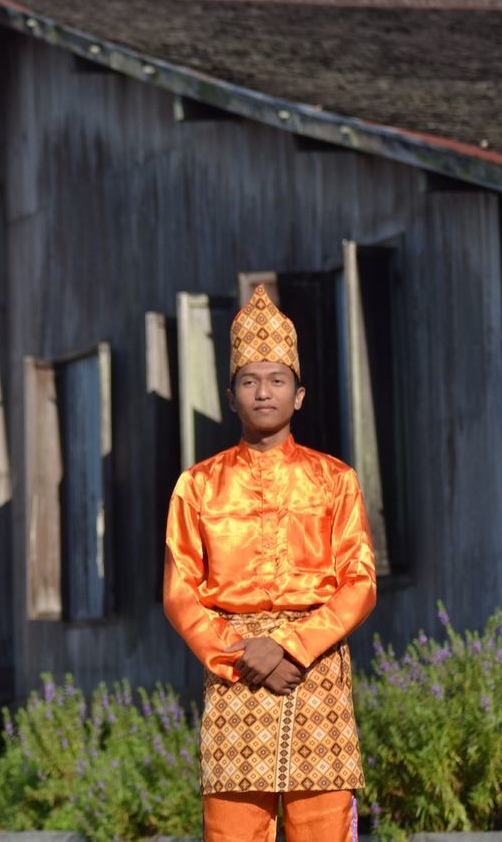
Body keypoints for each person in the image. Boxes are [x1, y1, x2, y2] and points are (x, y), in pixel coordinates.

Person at [162, 284, 378, 842]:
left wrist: (290, 645)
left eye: (277, 380)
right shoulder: (198, 485)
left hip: (317, 673)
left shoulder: (336, 479)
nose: (264, 392)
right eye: (250, 381)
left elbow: (360, 582)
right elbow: (180, 591)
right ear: (231, 395)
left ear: (299, 395)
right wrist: (240, 654)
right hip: (235, 678)